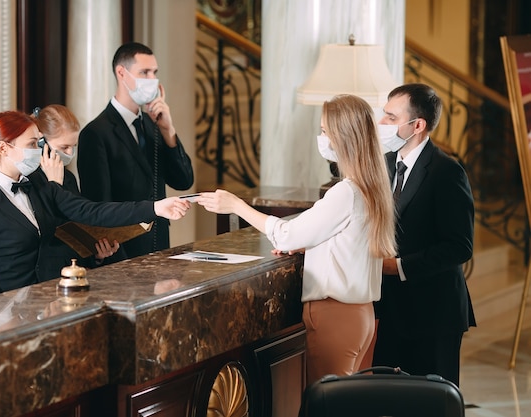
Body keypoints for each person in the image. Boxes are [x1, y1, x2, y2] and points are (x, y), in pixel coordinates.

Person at [197, 94, 397, 384]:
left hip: (335, 316)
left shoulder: (346, 192)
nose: (322, 138)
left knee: (328, 406)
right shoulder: (371, 187)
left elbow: (287, 234)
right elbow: (347, 241)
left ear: (342, 137)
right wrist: (311, 246)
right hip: (361, 315)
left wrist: (237, 206)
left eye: (325, 131)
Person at [0, 110, 190, 301]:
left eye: (39, 143)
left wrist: (155, 208)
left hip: (56, 304)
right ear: (4, 149)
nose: (39, 150)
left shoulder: (42, 184)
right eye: (32, 144)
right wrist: (0, 314)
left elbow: (92, 212)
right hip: (12, 315)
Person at [372, 83, 475, 387]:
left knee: (430, 404)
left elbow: (460, 246)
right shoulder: (387, 164)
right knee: (388, 400)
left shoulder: (447, 172)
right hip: (392, 309)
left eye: (391, 117)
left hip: (434, 313)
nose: (382, 124)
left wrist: (399, 266)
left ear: (417, 125)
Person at [77, 42, 194, 259]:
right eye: (144, 72)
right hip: (122, 251)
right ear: (122, 73)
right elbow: (99, 205)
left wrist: (169, 130)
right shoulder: (96, 133)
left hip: (160, 247)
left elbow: (184, 180)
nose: (152, 80)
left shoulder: (154, 125)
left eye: (155, 72)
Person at [31, 104, 125, 265]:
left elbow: (77, 226)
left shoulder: (69, 178)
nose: (70, 153)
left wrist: (96, 255)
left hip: (74, 271)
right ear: (41, 143)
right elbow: (48, 234)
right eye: (64, 147)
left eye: (73, 146)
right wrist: (55, 185)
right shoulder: (29, 181)